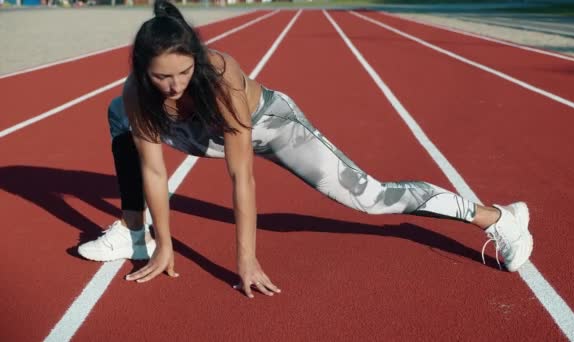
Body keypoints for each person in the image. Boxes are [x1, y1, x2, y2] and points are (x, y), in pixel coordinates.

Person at [78, 0, 533, 299]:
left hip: (271, 128)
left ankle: (498, 218)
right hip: (198, 134)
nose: (175, 86)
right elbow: (154, 172)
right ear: (143, 69)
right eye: (162, 78)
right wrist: (165, 245)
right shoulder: (136, 93)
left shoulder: (221, 77)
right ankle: (136, 233)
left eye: (183, 73)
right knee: (117, 113)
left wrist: (246, 258)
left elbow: (241, 177)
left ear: (196, 59)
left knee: (371, 199)